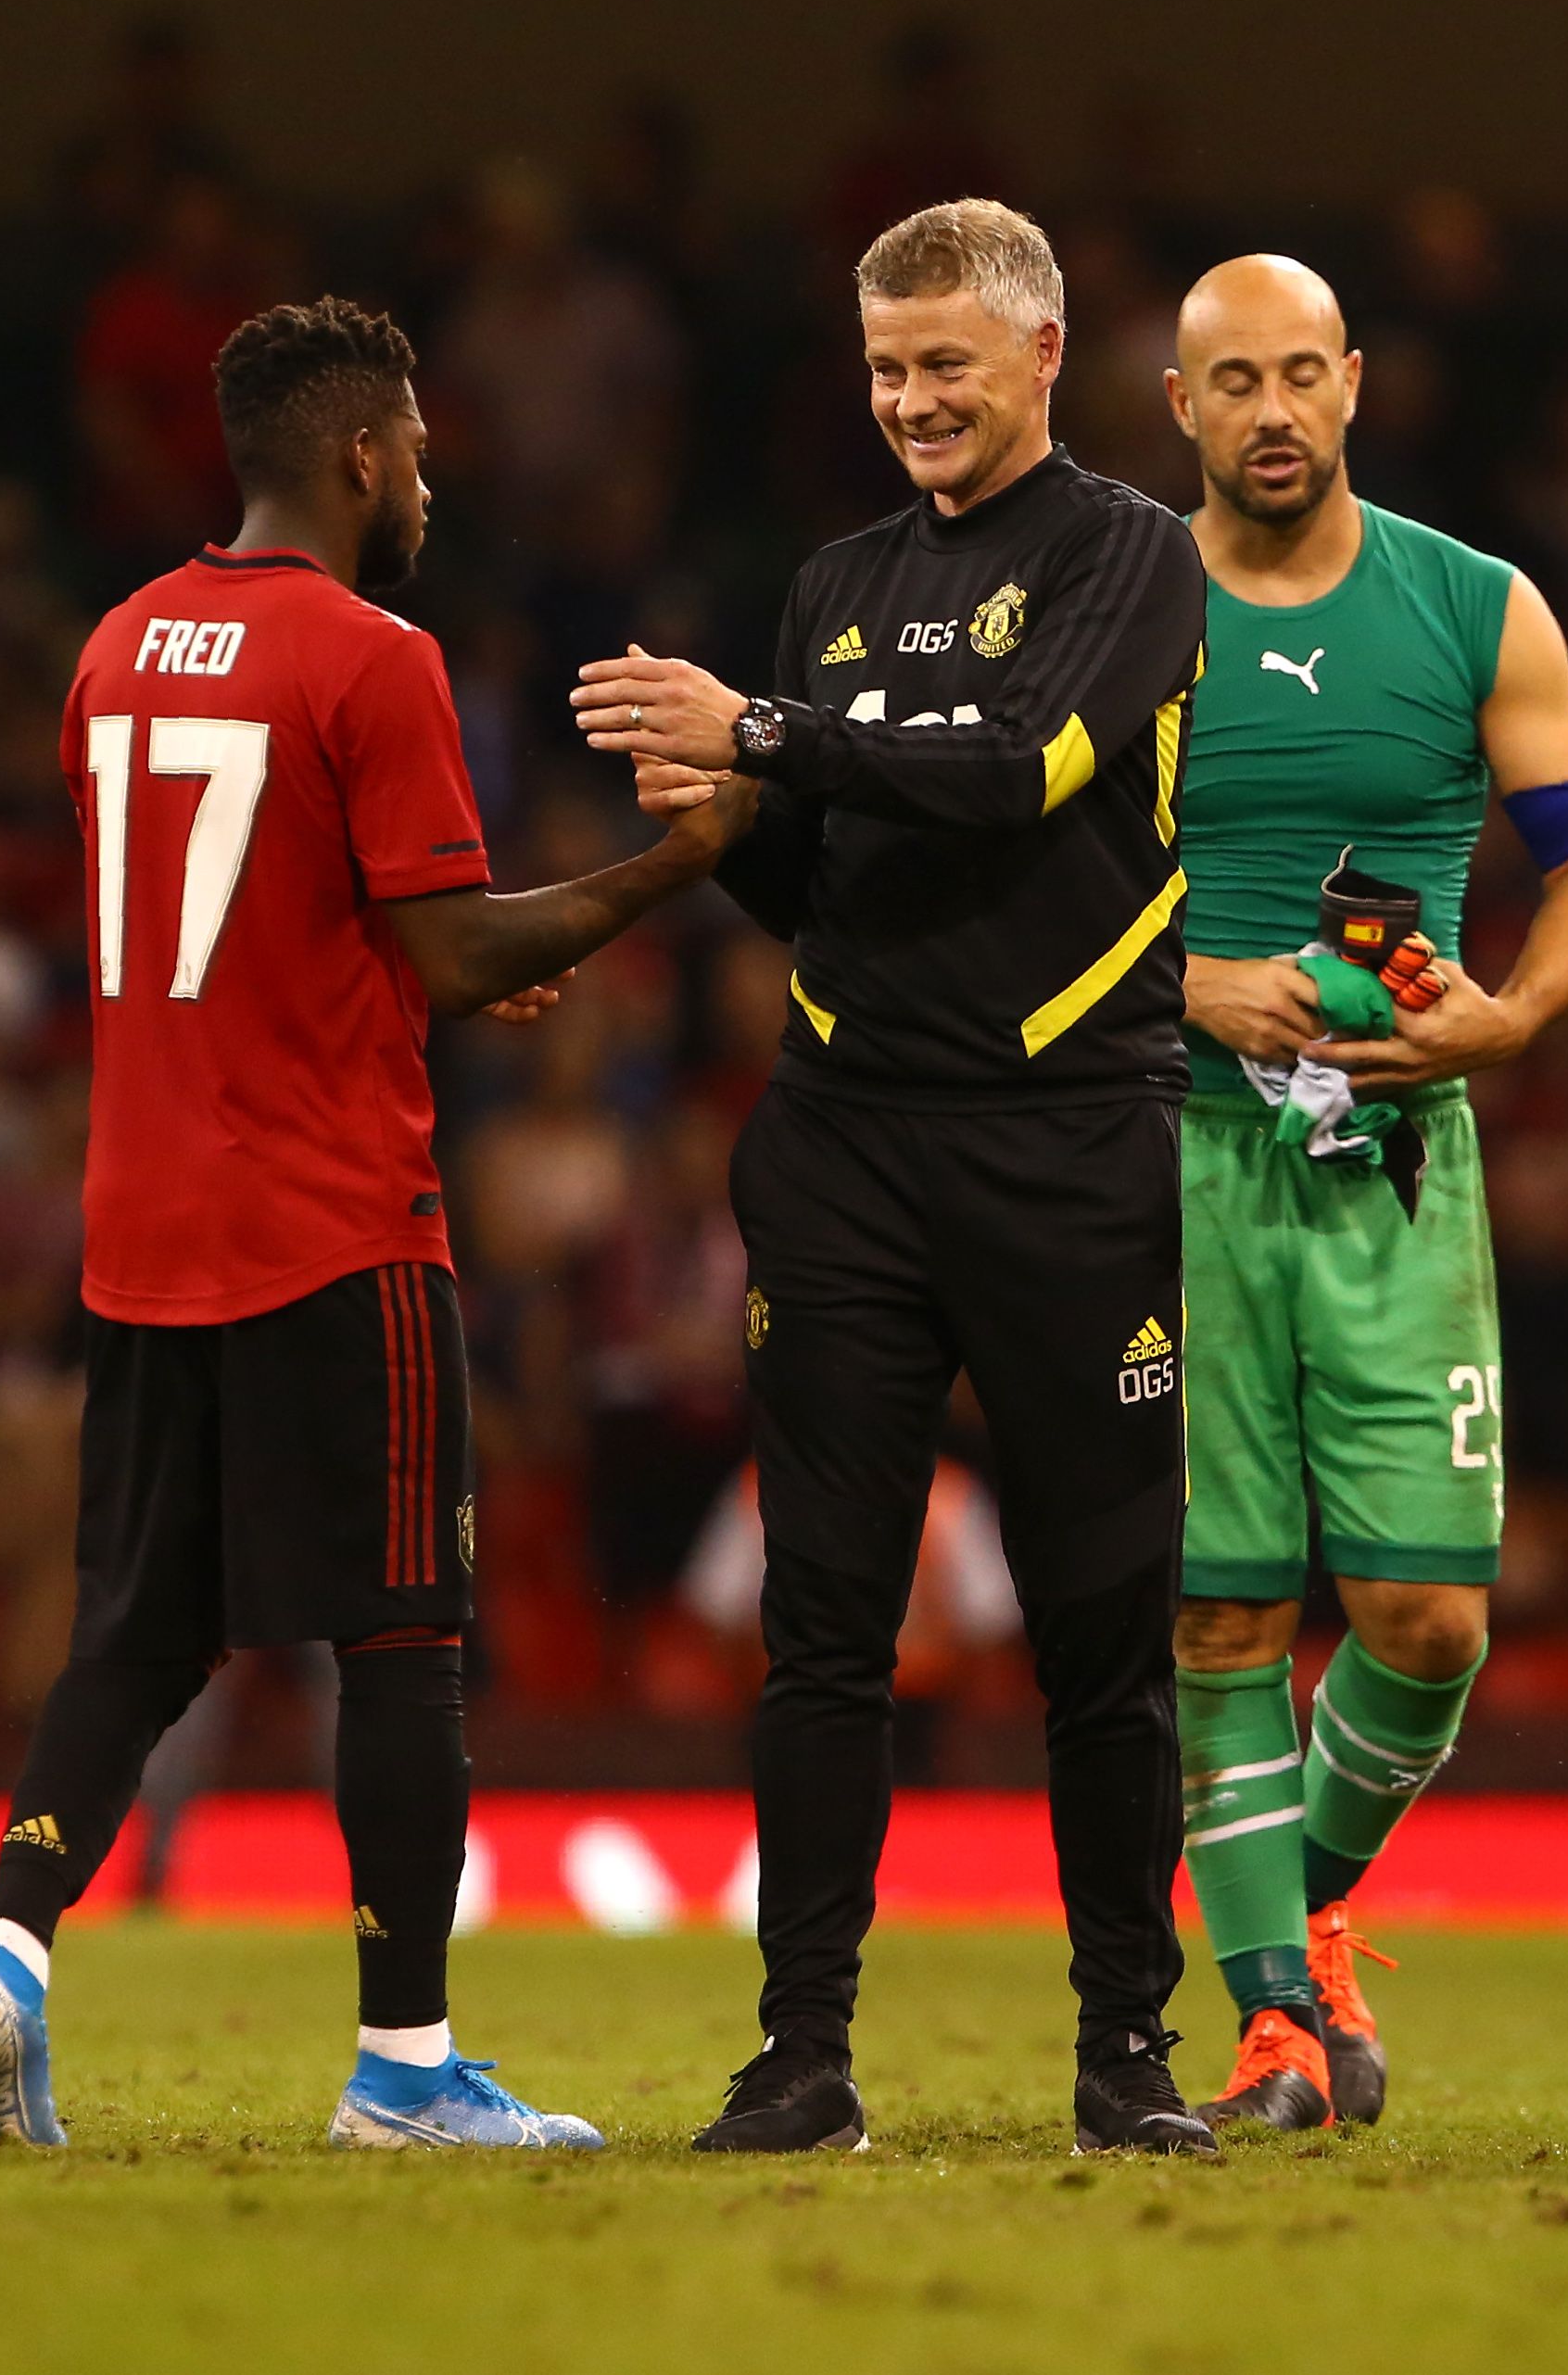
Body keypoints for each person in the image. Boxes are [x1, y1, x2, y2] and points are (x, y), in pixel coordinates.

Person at [0, 296, 732, 2151]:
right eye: (422, 444)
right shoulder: (377, 658)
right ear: (362, 453)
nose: (431, 472)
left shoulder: (117, 644)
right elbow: (454, 944)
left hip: (141, 1225)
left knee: (131, 1638)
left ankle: (2, 1957)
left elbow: (270, 915)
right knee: (402, 1639)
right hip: (330, 1223)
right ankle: (403, 2066)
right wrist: (670, 863)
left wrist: (410, 948)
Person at [581, 200, 1213, 2159]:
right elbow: (826, 871)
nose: (913, 399)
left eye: (946, 361)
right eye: (884, 366)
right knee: (823, 1618)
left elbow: (1020, 769)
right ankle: (801, 2055)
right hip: (844, 1145)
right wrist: (722, 817)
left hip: (1070, 1146)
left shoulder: (1134, 553)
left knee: (1098, 1620)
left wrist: (770, 730)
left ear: (1038, 356)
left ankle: (1127, 2054)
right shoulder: (838, 579)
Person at [1159, 256, 1568, 2131]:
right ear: (1180, 408)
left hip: (1389, 1161)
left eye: (1301, 374)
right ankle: (1278, 2016)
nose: (1271, 411)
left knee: (1427, 1617)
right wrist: (1189, 982)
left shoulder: (1473, 605)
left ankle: (1311, 1895)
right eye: (1232, 383)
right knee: (1213, 1620)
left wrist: (1510, 1013)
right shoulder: (1120, 607)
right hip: (1175, 1155)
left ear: (1354, 383)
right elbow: (1029, 894)